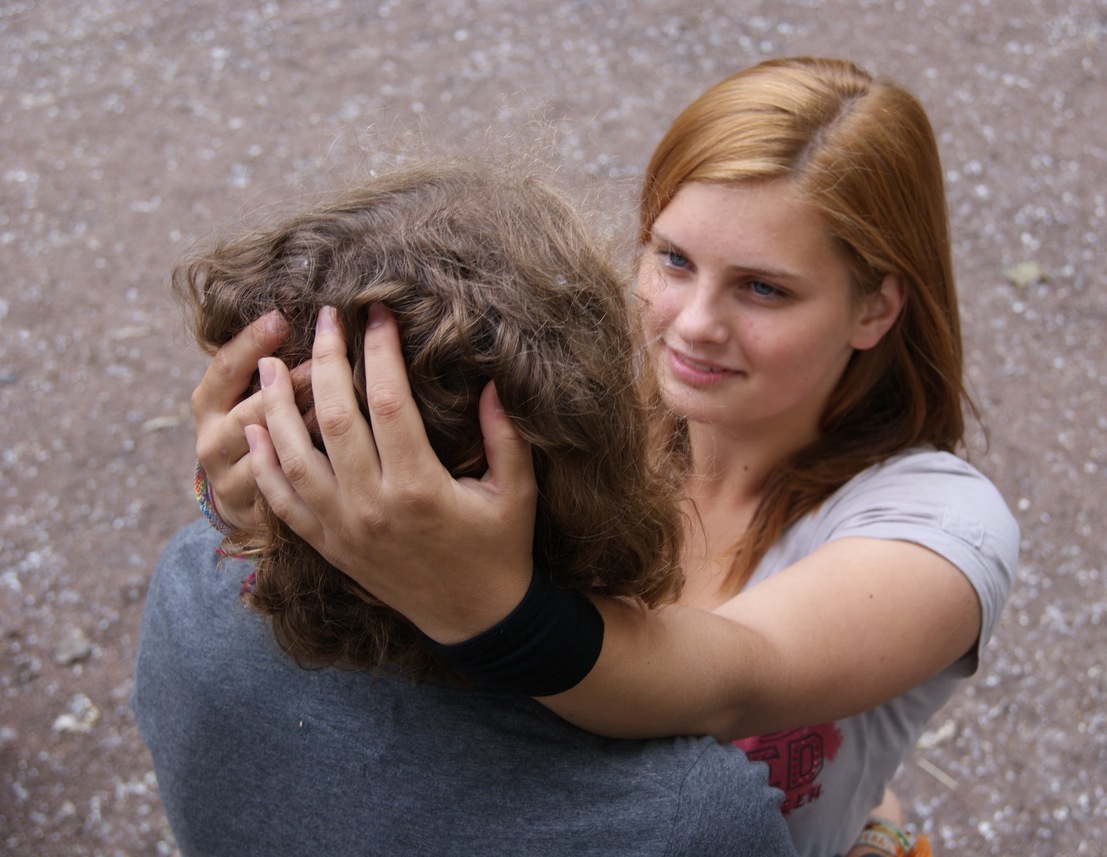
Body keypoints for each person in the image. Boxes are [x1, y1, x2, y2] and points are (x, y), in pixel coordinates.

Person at [198, 58, 1020, 857]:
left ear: (875, 308)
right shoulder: (576, 401)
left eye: (763, 288)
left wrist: (490, 604)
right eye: (674, 259)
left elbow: (740, 677)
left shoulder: (943, 527)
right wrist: (248, 499)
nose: (692, 323)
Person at [133, 161, 798, 857]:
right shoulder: (686, 818)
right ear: (588, 455)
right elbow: (755, 678)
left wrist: (229, 504)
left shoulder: (189, 590)